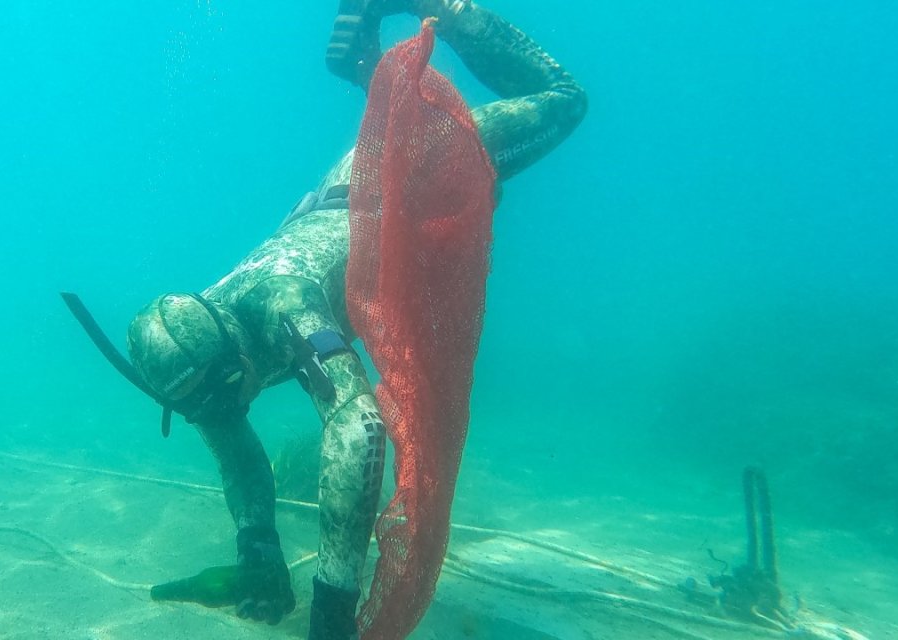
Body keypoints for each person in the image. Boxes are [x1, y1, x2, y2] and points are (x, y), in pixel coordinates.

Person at [91, 2, 586, 638]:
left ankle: (443, 9)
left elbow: (359, 426)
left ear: (233, 358)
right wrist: (259, 551)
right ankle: (363, 64)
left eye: (219, 395)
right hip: (352, 190)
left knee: (565, 101)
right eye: (196, 407)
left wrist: (332, 606)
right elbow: (234, 448)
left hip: (414, 169)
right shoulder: (204, 356)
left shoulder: (283, 305)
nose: (223, 412)